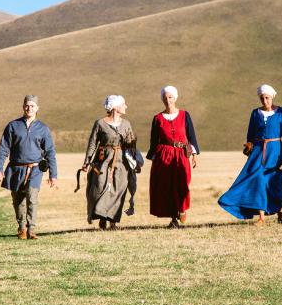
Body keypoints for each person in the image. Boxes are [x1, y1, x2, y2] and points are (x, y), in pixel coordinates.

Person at [218, 84, 282, 226]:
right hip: (258, 153)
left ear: (272, 97)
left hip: (276, 153)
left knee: (273, 184)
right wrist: (249, 147)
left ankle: (277, 210)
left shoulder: (281, 113)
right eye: (262, 98)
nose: (265, 101)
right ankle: (261, 217)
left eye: (267, 98)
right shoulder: (255, 113)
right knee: (258, 180)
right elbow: (250, 134)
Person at [0, 95, 58, 240]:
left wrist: (53, 174)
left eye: (32, 106)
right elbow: (3, 148)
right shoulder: (12, 126)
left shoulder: (43, 128)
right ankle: (21, 227)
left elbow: (50, 152)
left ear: (37, 108)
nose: (29, 108)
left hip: (35, 168)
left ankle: (31, 229)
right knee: (18, 200)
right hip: (16, 168)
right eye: (27, 105)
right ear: (23, 107)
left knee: (32, 196)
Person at [146, 85, 200, 228]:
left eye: (170, 97)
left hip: (181, 153)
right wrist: (153, 157)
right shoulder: (157, 118)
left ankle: (182, 209)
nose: (167, 100)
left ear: (175, 98)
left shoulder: (184, 115)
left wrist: (194, 155)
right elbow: (154, 140)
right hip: (164, 154)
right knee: (167, 187)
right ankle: (173, 219)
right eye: (165, 98)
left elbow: (191, 136)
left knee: (182, 184)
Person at [81, 95, 137, 230]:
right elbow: (93, 143)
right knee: (101, 187)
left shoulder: (126, 124)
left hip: (122, 160)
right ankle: (101, 217)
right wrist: (87, 162)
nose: (126, 106)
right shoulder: (100, 123)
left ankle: (112, 221)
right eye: (123, 104)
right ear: (115, 107)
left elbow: (132, 145)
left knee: (119, 189)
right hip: (103, 160)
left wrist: (135, 162)